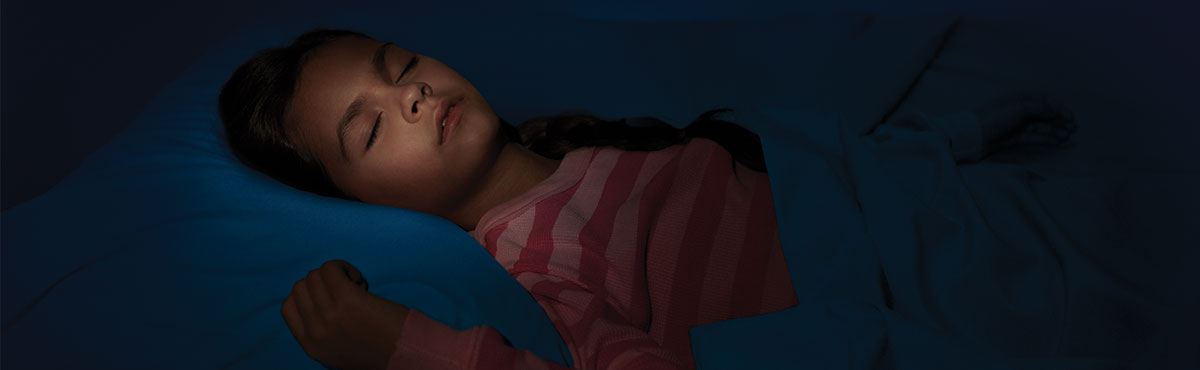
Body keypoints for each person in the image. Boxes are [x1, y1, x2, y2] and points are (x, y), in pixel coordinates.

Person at [219, 29, 1074, 370]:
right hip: (890, 288)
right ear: (360, 205)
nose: (409, 95)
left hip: (917, 209)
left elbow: (790, 161)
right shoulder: (530, 259)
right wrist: (412, 345)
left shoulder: (576, 139)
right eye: (367, 133)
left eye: (400, 65)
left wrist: (952, 135)